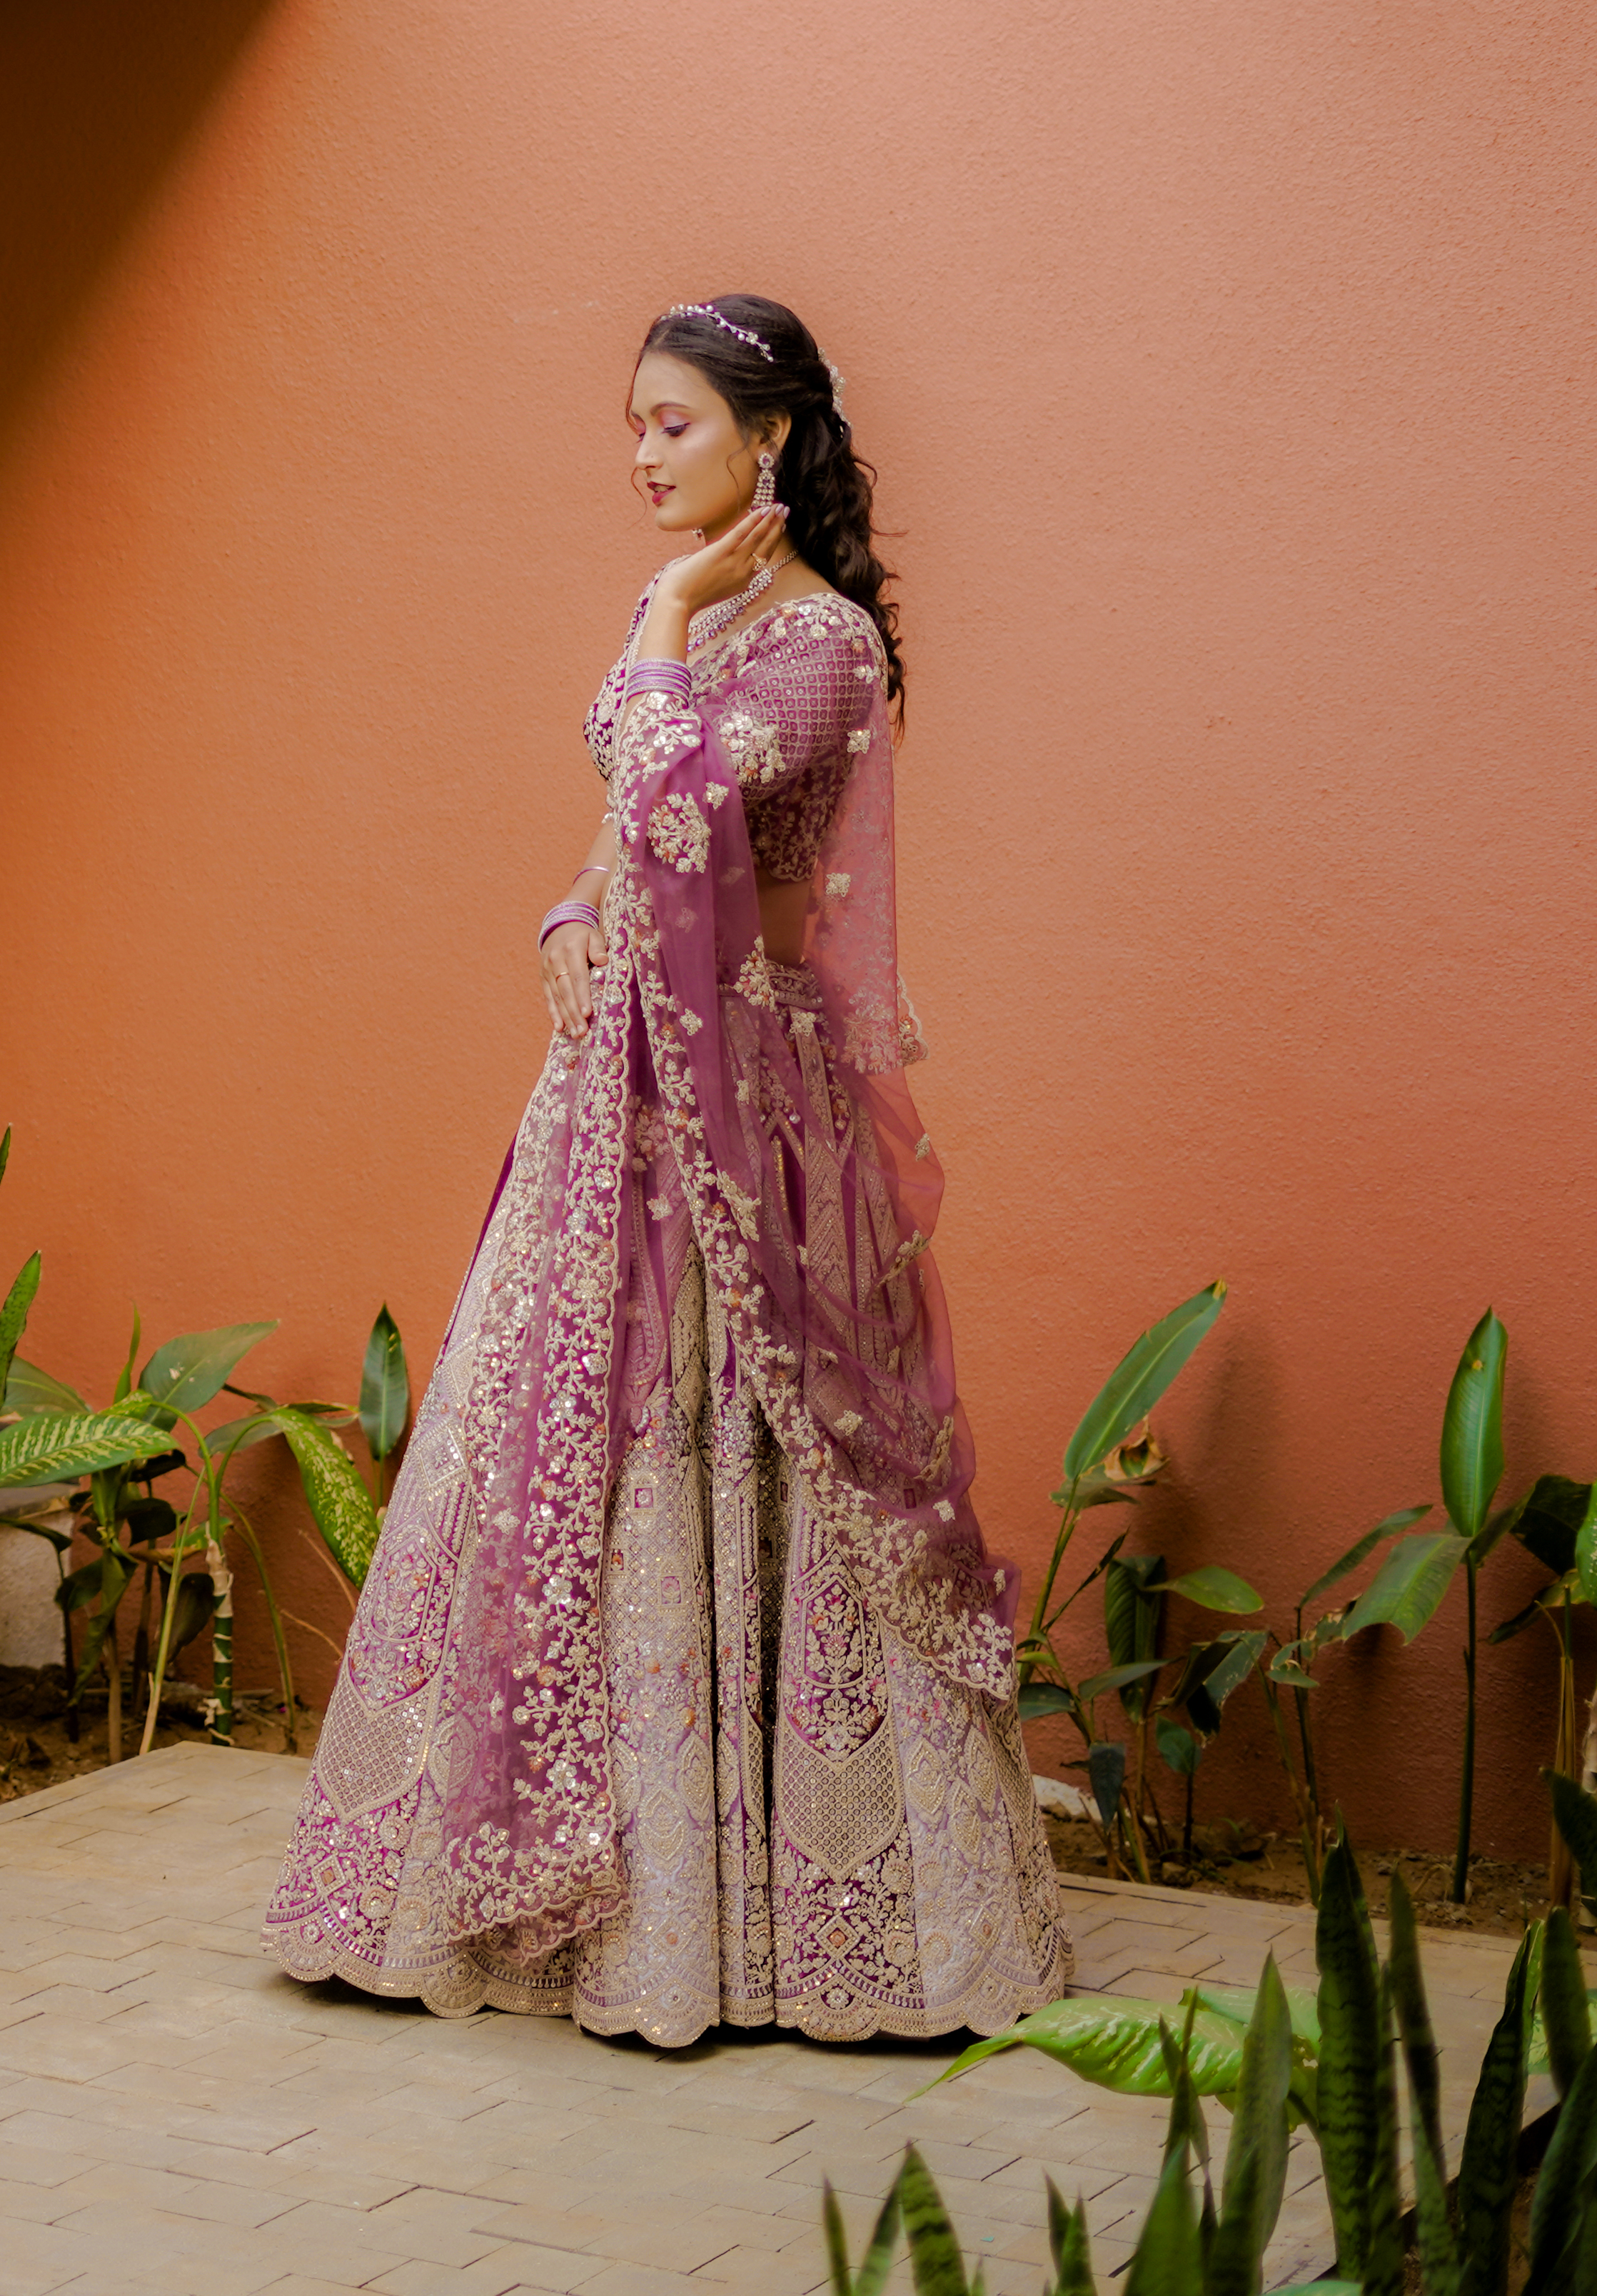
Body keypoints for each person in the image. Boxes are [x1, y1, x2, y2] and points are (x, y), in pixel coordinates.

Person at [262, 294, 1068, 2045]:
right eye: (628, 426)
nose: (640, 458)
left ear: (764, 441)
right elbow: (618, 841)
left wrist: (665, 615)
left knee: (751, 1453)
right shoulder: (697, 624)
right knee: (560, 1442)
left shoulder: (820, 643)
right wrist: (564, 914)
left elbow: (690, 803)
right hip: (607, 1101)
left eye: (671, 425)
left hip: (747, 1112)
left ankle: (779, 1929)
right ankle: (497, 1897)